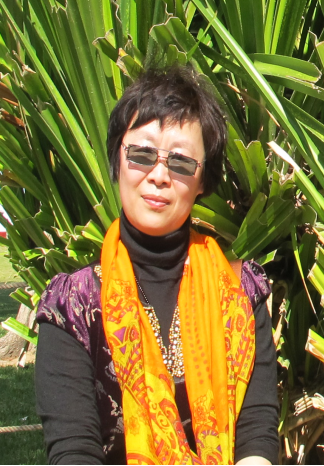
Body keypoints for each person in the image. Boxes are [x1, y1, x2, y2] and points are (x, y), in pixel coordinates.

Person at [35, 65, 279, 465]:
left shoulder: (238, 291)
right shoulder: (73, 306)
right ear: (117, 160)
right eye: (142, 154)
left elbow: (257, 433)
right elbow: (73, 450)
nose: (160, 175)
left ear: (203, 181)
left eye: (181, 162)